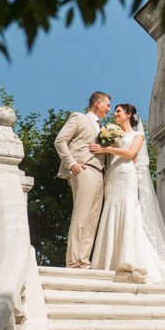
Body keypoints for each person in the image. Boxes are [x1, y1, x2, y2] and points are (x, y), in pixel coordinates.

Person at [89, 103, 165, 285]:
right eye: (114, 111)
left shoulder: (137, 135)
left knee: (128, 212)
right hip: (112, 177)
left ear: (129, 114)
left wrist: (106, 149)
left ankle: (130, 259)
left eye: (118, 112)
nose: (114, 114)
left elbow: (131, 152)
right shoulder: (112, 134)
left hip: (127, 176)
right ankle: (109, 261)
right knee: (111, 211)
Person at [55, 91, 111, 269]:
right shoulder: (79, 118)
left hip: (100, 173)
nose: (109, 109)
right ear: (98, 104)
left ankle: (84, 260)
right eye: (107, 105)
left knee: (92, 219)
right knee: (81, 216)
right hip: (83, 169)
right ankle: (72, 261)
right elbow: (60, 141)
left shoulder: (103, 128)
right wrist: (72, 163)